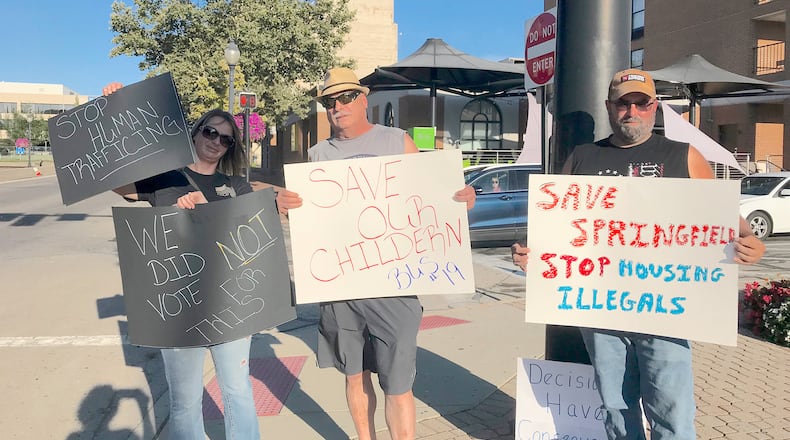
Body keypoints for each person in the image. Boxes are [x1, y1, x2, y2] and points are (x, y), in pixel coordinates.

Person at [514, 68, 766, 440]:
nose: (632, 111)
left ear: (655, 107)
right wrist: (528, 252)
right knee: (616, 410)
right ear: (610, 107)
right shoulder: (583, 158)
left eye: (641, 103)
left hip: (666, 312)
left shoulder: (683, 156)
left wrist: (751, 242)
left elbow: (724, 215)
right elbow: (554, 225)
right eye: (623, 103)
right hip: (599, 310)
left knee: (673, 416)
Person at [276, 68, 476, 440]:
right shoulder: (316, 154)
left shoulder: (397, 142)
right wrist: (285, 206)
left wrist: (460, 200)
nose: (337, 106)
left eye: (346, 97)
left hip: (393, 287)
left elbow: (430, 200)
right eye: (328, 101)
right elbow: (311, 221)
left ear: (363, 99)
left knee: (398, 383)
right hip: (341, 287)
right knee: (355, 375)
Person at [104, 82, 260, 440]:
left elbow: (249, 238)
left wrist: (209, 216)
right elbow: (114, 181)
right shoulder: (165, 178)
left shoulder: (238, 187)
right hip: (177, 302)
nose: (216, 141)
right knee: (185, 402)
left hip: (229, 302)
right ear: (195, 131)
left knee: (238, 392)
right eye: (210, 131)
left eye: (225, 139)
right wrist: (116, 111)